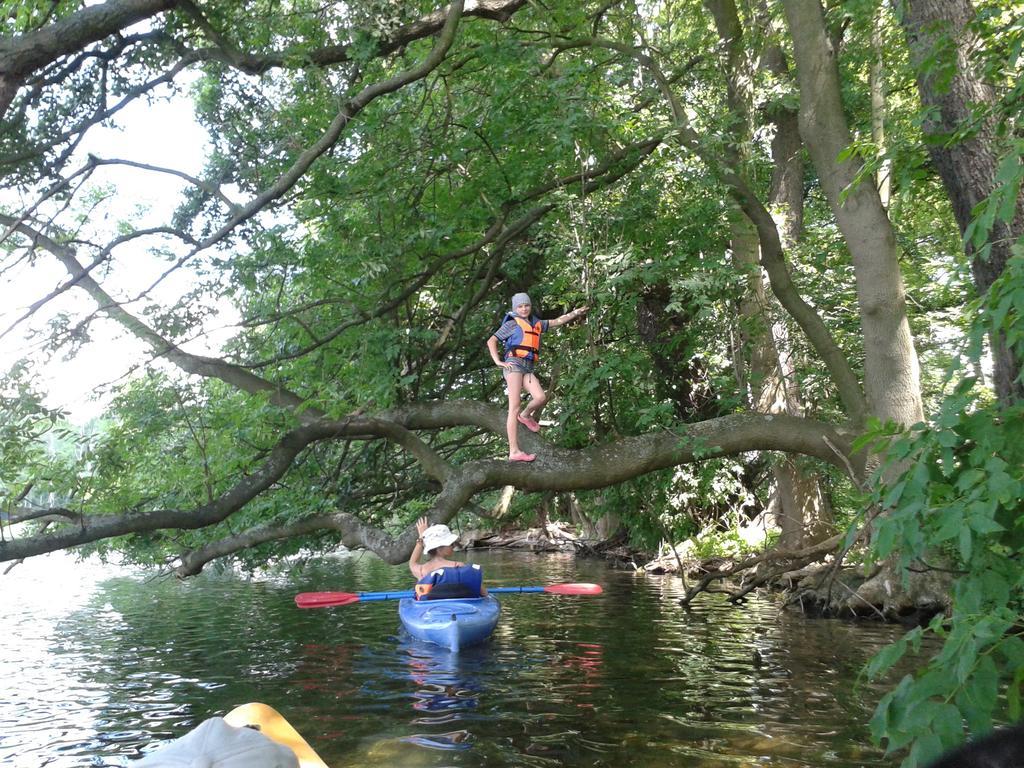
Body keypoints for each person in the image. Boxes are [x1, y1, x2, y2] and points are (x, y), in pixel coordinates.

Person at [486, 292, 589, 462]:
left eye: (526, 305)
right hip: (513, 364)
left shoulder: (536, 323)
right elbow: (491, 341)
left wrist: (576, 313)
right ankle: (514, 451)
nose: (524, 308)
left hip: (527, 366)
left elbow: (557, 321)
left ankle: (526, 416)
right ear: (515, 308)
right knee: (514, 407)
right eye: (520, 306)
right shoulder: (512, 324)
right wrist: (498, 361)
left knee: (541, 397)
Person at [408, 516, 487, 599]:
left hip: (431, 608)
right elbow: (484, 593)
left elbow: (412, 563)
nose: (453, 545)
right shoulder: (459, 566)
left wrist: (421, 537)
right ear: (439, 548)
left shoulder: (421, 571)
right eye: (450, 544)